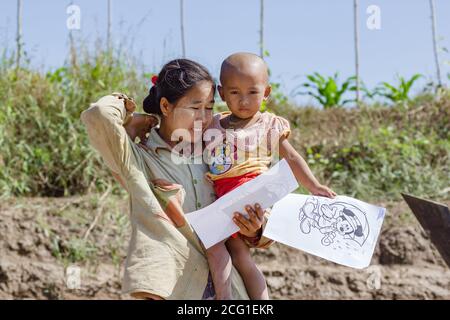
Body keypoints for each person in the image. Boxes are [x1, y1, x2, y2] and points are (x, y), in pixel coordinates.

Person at [80, 58, 274, 300]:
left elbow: (258, 208)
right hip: (173, 289)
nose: (204, 118)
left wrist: (256, 229)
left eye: (209, 107)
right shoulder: (138, 158)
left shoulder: (219, 152)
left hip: (230, 290)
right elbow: (99, 115)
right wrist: (136, 118)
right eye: (195, 107)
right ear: (165, 105)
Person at [204, 52, 336, 300]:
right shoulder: (213, 125)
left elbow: (292, 158)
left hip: (252, 194)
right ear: (222, 94)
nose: (244, 100)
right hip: (223, 198)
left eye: (252, 92)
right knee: (234, 254)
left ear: (266, 92)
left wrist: (314, 186)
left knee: (232, 252)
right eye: (234, 93)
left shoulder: (267, 125)